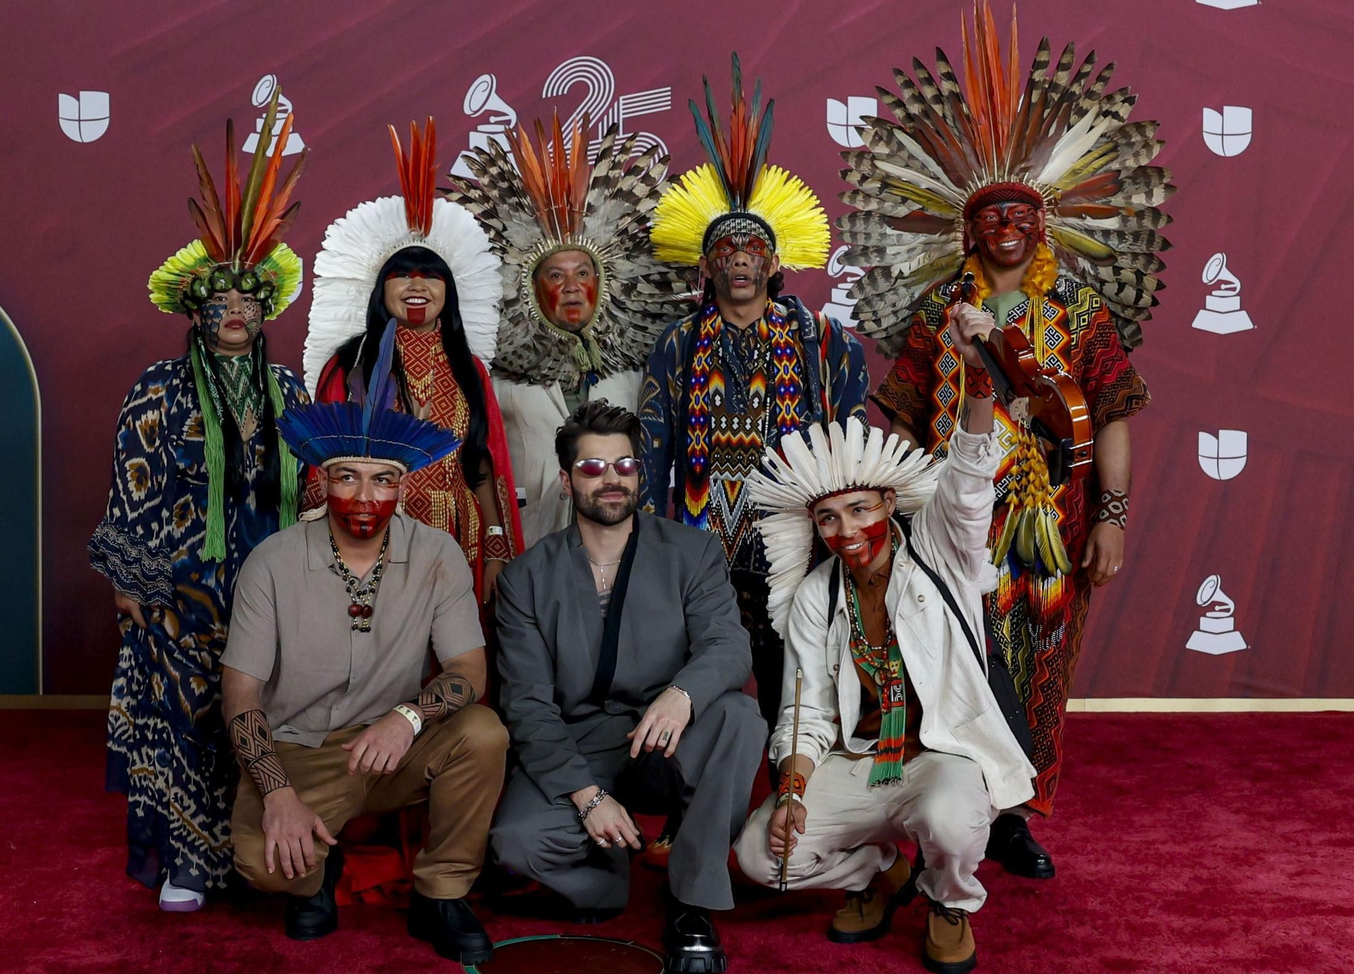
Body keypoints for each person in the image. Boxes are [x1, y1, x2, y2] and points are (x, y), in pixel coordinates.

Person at [839, 1, 1165, 876]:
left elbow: (1116, 417)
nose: (1006, 225)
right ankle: (947, 812)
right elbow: (901, 424)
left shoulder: (1084, 314)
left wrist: (1114, 517)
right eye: (990, 215)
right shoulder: (935, 316)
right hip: (951, 525)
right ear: (968, 230)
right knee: (956, 665)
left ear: (1044, 224)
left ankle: (1015, 816)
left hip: (1052, 527)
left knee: (1037, 670)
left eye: (1021, 211)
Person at [219, 321, 508, 962]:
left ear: (403, 486)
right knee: (265, 870)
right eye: (348, 477)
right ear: (322, 480)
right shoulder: (272, 560)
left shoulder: (435, 554)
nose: (364, 496)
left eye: (383, 480)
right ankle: (315, 873)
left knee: (484, 733)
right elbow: (239, 694)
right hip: (298, 752)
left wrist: (408, 718)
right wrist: (278, 794)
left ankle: (441, 894)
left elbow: (468, 669)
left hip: (392, 747)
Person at [732, 389, 1036, 974]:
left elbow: (970, 485)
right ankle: (879, 869)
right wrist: (792, 792)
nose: (846, 530)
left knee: (951, 820)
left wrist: (978, 386)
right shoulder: (816, 595)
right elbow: (806, 710)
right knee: (759, 857)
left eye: (860, 509)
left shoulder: (941, 553)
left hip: (941, 756)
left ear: (890, 502)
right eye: (828, 517)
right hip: (861, 760)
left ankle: (947, 902)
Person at [88, 106, 309, 912]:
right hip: (182, 584)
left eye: (249, 301)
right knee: (183, 715)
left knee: (262, 717)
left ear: (265, 312)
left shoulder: (288, 390)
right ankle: (185, 859)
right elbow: (131, 489)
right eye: (220, 302)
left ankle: (264, 850)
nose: (236, 313)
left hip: (271, 579)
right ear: (195, 311)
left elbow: (312, 491)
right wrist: (134, 587)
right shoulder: (157, 387)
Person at [491, 401, 765, 974]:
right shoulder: (524, 578)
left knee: (740, 717)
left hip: (667, 735)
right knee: (517, 841)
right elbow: (527, 704)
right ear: (566, 482)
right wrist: (585, 798)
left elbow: (728, 645)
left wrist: (682, 695)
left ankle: (692, 900)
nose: (611, 479)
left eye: (624, 466)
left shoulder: (692, 551)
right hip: (581, 743)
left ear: (640, 474)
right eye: (592, 468)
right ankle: (607, 877)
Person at [639, 55, 870, 737]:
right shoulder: (679, 343)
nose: (739, 256)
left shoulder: (825, 343)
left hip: (795, 539)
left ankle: (797, 798)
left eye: (752, 247)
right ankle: (697, 800)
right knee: (696, 673)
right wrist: (655, 540)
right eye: (726, 248)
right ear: (707, 265)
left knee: (794, 675)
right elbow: (654, 449)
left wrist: (842, 539)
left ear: (774, 262)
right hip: (699, 537)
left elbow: (850, 449)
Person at [302, 119, 522, 604]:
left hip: (459, 542)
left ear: (451, 291)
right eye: (402, 275)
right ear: (382, 291)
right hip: (370, 537)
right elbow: (320, 467)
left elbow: (482, 462)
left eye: (431, 276)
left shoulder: (470, 368)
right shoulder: (350, 365)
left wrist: (497, 547)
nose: (417, 285)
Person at [451, 114, 694, 546]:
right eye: (555, 277)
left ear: (605, 282)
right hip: (529, 545)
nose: (571, 288)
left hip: (624, 546)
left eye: (583, 273)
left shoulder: (641, 374)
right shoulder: (498, 379)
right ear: (525, 288)